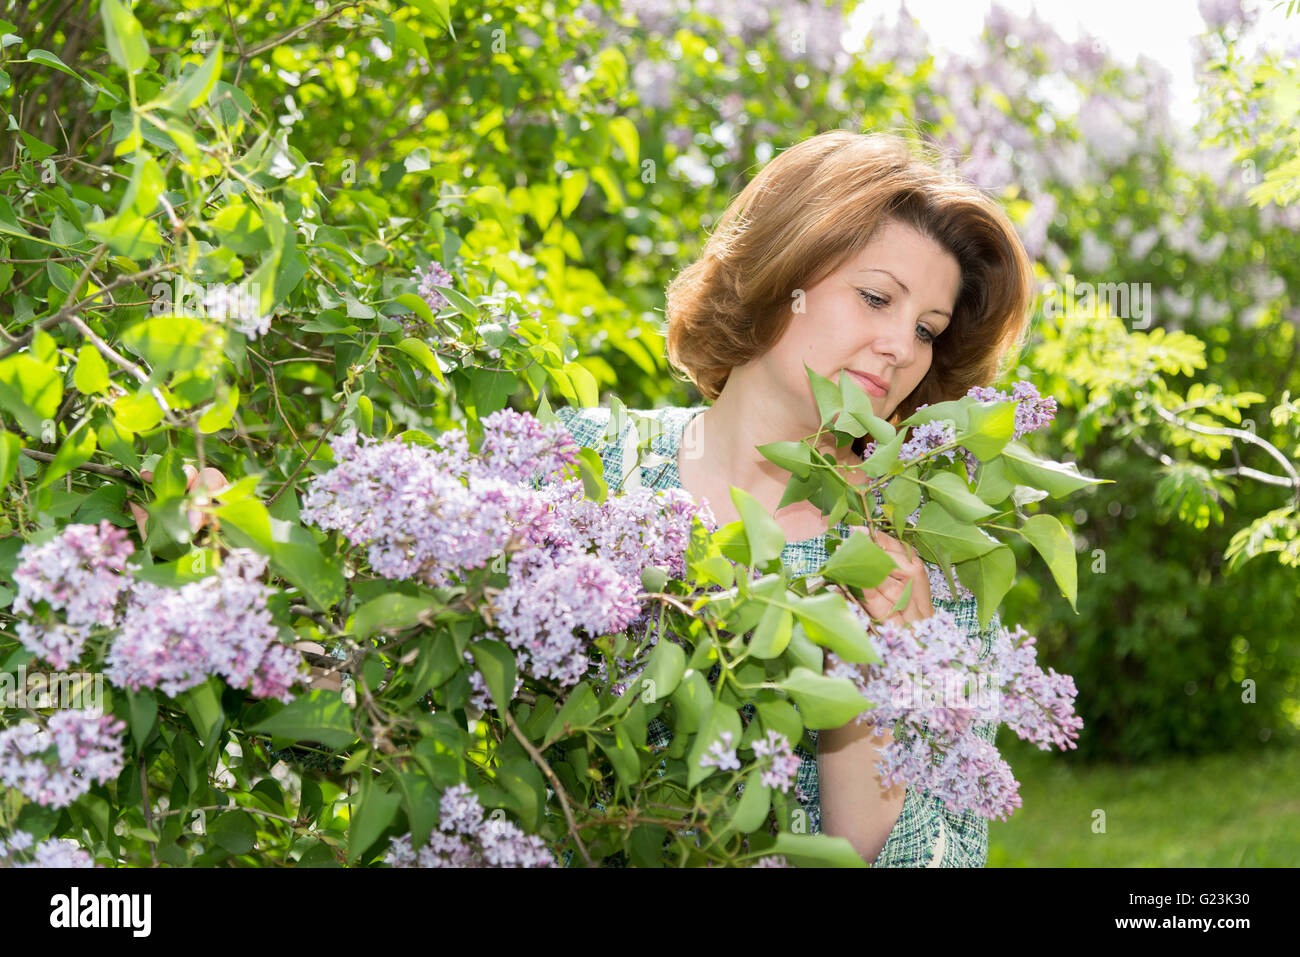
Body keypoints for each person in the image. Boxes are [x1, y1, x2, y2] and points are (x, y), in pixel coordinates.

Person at [554, 129, 1035, 866]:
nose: (902, 347)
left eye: (926, 329)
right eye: (876, 297)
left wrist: (889, 671)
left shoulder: (926, 566)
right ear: (787, 270)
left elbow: (930, 858)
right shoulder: (581, 464)